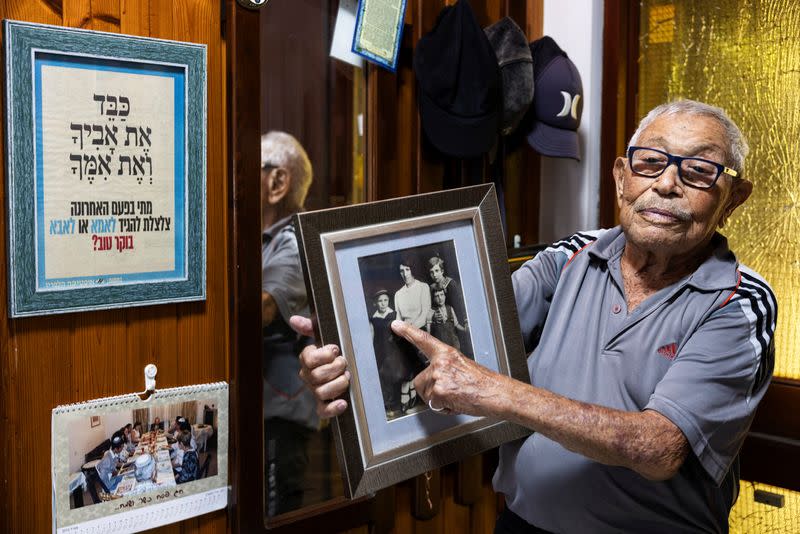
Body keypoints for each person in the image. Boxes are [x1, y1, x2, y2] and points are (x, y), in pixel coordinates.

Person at [293, 100, 777, 533]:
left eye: (698, 172)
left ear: (733, 199)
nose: (666, 184)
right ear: (621, 177)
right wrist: (349, 351)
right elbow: (459, 338)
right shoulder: (567, 257)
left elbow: (659, 448)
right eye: (650, 163)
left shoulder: (739, 303)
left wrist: (497, 392)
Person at [260, 131, 319, 517]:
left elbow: (261, 308)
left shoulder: (294, 242)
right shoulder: (265, 239)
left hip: (283, 415)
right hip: (268, 410)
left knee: (280, 514)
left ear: (277, 182)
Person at [393, 257, 431, 412]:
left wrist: (409, 330)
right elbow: (398, 318)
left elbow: (425, 313)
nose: (404, 273)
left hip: (421, 333)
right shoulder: (398, 294)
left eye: (407, 269)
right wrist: (399, 333)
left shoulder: (423, 287)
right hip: (404, 336)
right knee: (404, 366)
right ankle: (409, 396)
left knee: (420, 366)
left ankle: (418, 397)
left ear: (412, 269)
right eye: (401, 271)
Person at [369, 289, 406, 418]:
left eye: (385, 300)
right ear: (375, 303)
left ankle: (398, 406)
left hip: (393, 350)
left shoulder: (394, 314)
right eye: (380, 301)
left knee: (396, 377)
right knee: (384, 378)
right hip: (380, 351)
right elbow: (372, 336)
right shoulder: (373, 319)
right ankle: (388, 406)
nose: (383, 303)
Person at [428, 255, 472, 356]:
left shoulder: (451, 284)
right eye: (432, 272)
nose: (434, 275)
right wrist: (434, 316)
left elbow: (459, 304)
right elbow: (432, 306)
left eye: (437, 271)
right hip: (441, 325)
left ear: (442, 271)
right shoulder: (432, 287)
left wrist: (465, 321)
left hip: (456, 320)